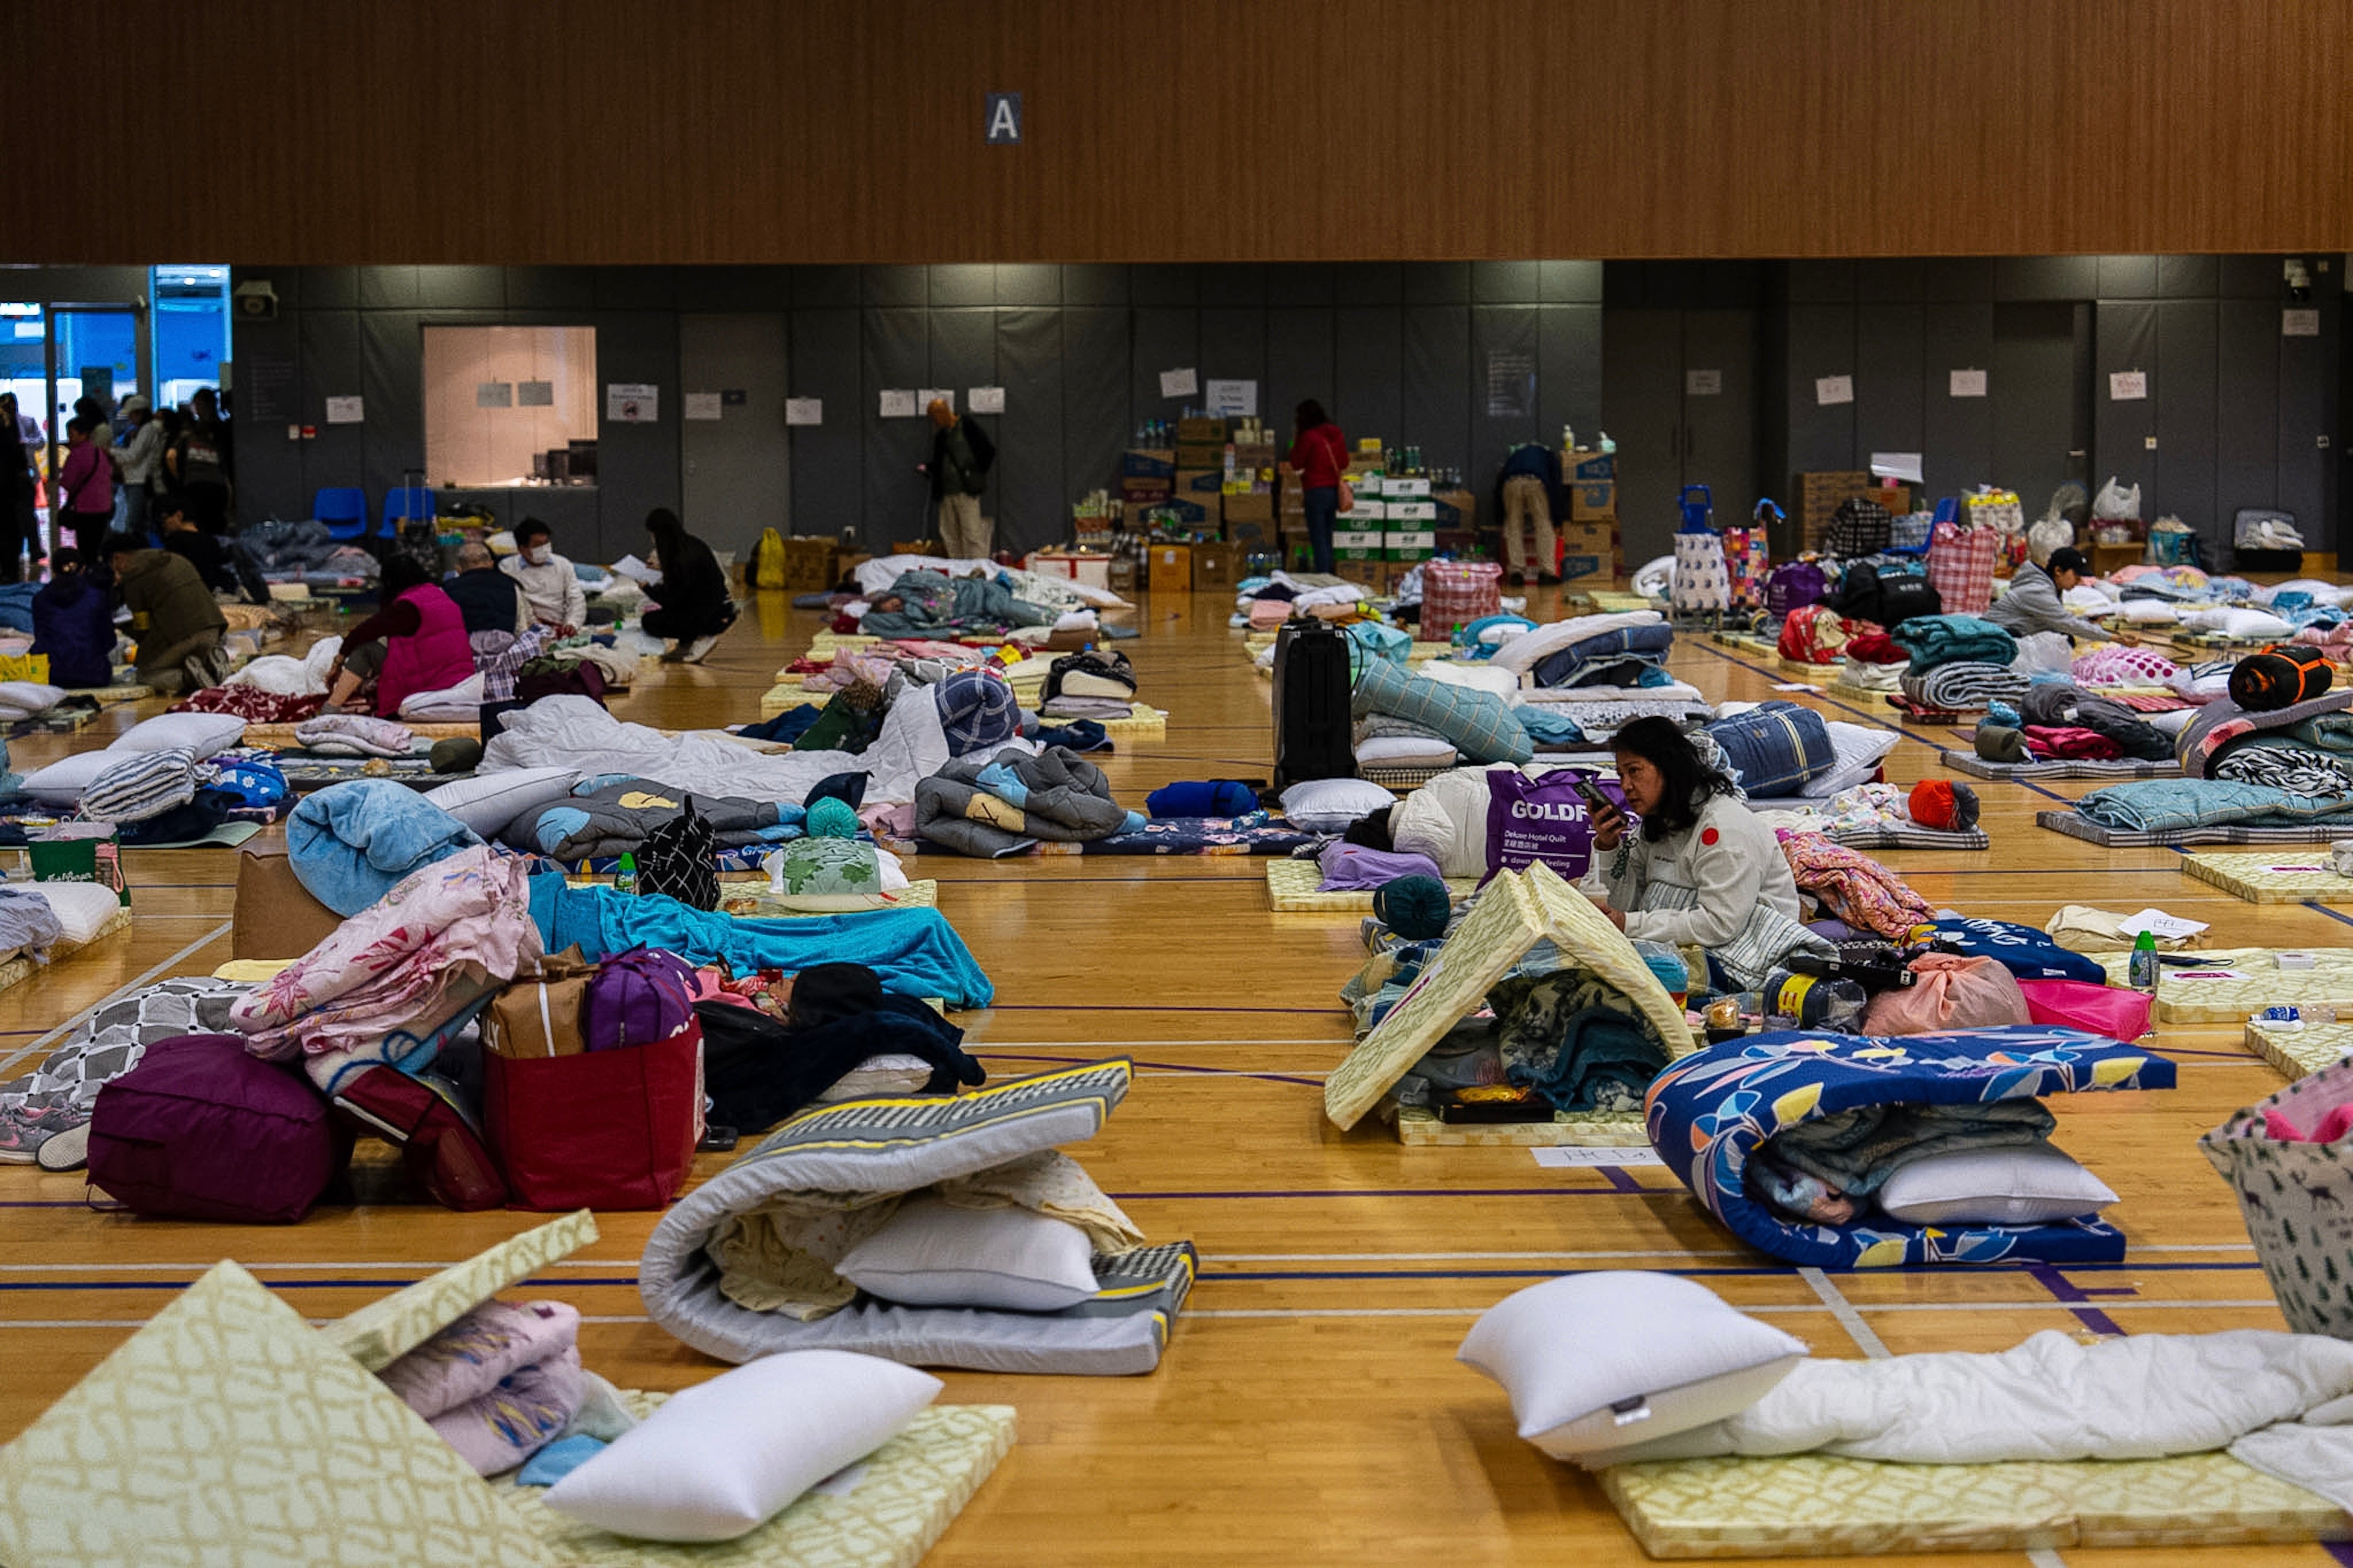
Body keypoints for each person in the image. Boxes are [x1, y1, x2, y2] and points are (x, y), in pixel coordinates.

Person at [1587, 718, 1808, 983]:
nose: (1626, 786)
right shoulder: (1658, 823)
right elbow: (1622, 907)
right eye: (1621, 775)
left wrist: (1629, 924)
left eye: (1634, 771)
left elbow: (1719, 924)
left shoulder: (1725, 829)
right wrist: (1608, 846)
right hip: (1687, 953)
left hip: (1742, 962)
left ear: (1669, 768)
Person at [323, 554, 474, 718]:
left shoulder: (408, 607)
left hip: (431, 684)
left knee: (366, 650)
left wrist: (339, 662)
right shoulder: (439, 595)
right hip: (460, 680)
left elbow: (362, 633)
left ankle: (331, 708)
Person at [108, 532, 229, 695]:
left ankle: (187, 678)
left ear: (118, 558)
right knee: (187, 659)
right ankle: (210, 664)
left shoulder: (135, 576)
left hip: (186, 635)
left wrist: (125, 628)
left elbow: (142, 628)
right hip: (214, 629)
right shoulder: (174, 559)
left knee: (146, 674)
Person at [642, 506, 737, 663]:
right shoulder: (693, 544)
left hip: (710, 617)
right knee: (685, 608)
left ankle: (702, 637)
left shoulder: (677, 558)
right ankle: (687, 645)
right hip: (724, 609)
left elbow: (672, 600)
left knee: (650, 621)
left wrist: (648, 588)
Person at [1983, 545, 2124, 643]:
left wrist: (2087, 621)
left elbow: (2060, 619)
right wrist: (2112, 637)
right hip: (1995, 636)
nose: (2079, 581)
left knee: (2065, 639)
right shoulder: (2037, 590)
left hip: (2019, 630)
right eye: (2076, 576)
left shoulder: (2052, 588)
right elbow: (2065, 622)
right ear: (2058, 571)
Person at [919, 397, 995, 559]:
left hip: (966, 490)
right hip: (946, 492)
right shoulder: (941, 436)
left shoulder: (967, 425)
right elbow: (939, 462)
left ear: (944, 413)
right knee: (950, 534)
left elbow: (988, 450)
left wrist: (975, 473)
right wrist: (928, 469)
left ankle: (977, 567)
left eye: (936, 417)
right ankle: (957, 567)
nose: (935, 422)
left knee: (972, 533)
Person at [29, 548, 116, 688]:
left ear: (54, 571)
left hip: (53, 676)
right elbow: (109, 641)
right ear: (83, 570)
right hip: (94, 674)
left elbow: (41, 637)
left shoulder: (40, 599)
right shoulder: (97, 597)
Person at [1285, 400, 1347, 574]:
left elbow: (1297, 463)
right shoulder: (1336, 433)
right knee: (1328, 536)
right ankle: (1330, 573)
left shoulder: (1309, 437)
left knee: (1318, 537)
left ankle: (1323, 575)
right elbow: (1344, 462)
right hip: (1333, 492)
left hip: (1315, 492)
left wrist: (1296, 439)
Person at [499, 516, 586, 632]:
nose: (544, 548)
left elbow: (576, 598)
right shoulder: (507, 568)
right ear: (522, 549)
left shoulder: (563, 564)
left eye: (546, 543)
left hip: (559, 624)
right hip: (526, 627)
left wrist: (572, 623)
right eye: (537, 545)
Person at [1494, 442, 1563, 586]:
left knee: (1513, 527)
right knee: (1543, 525)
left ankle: (1516, 573)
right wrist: (1558, 519)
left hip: (1511, 482)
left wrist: (1500, 518)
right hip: (1536, 481)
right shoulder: (1549, 456)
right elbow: (1556, 488)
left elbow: (1499, 484)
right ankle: (1546, 573)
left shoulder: (1515, 456)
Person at [165, 391, 231, 533]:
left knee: (196, 526)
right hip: (216, 485)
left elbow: (171, 457)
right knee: (215, 527)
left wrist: (179, 477)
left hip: (194, 484)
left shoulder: (188, 433)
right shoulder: (222, 431)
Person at [53, 419, 116, 565]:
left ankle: (87, 572)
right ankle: (96, 571)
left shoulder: (77, 454)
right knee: (97, 545)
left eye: (71, 434)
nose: (69, 438)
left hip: (85, 507)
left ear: (83, 434)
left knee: (85, 547)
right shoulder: (99, 452)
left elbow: (68, 482)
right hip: (103, 506)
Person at [156, 495, 241, 595]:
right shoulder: (212, 541)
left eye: (165, 518)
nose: (164, 524)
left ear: (179, 516)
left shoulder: (175, 541)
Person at [444, 540, 529, 635]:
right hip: (505, 643)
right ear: (491, 564)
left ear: (458, 569)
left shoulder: (447, 590)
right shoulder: (511, 585)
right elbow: (522, 627)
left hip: (462, 643)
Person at [112, 394, 164, 539]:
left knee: (134, 522)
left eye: (132, 415)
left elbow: (133, 456)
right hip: (135, 479)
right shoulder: (143, 430)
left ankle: (136, 547)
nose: (130, 419)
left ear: (140, 413)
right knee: (136, 522)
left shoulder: (148, 430)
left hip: (138, 480)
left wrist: (112, 452)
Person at [0, 394, 36, 583]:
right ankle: (10, 573)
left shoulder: (21, 424)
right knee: (13, 531)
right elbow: (20, 462)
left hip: (9, 489)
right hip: (12, 490)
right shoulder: (12, 433)